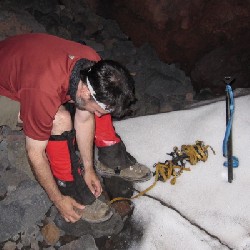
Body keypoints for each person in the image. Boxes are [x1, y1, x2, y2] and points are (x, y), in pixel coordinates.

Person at [0, 33, 151, 223]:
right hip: (6, 88)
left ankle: (109, 158)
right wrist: (57, 200)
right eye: (98, 110)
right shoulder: (43, 90)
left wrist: (89, 169)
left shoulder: (93, 64)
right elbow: (35, 154)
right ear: (85, 91)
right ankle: (68, 185)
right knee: (60, 119)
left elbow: (85, 117)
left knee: (91, 110)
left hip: (24, 62)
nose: (99, 116)